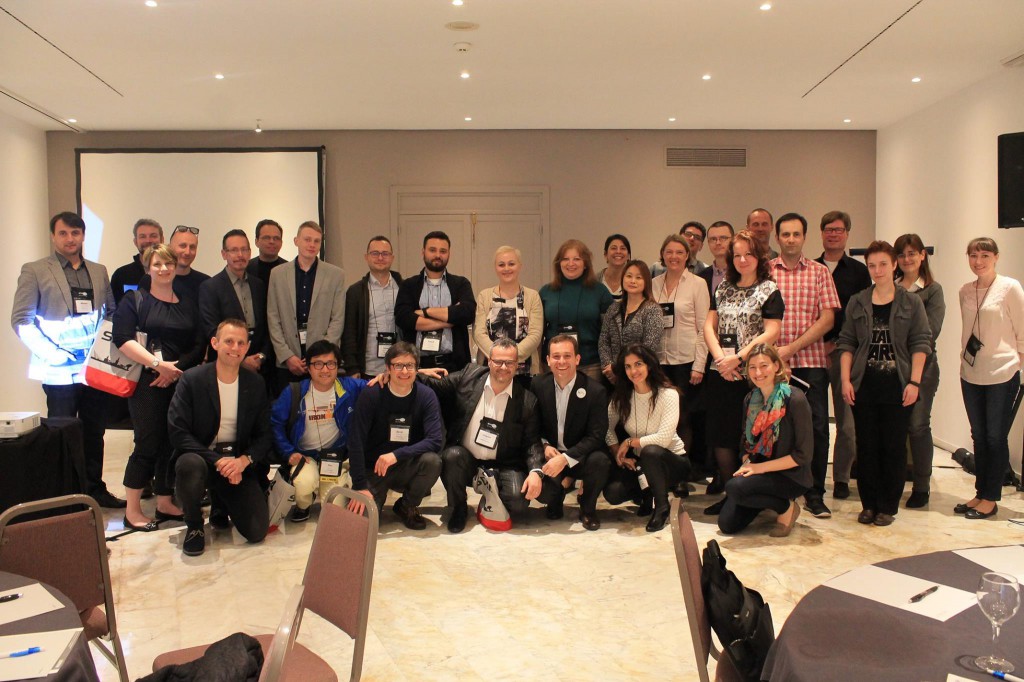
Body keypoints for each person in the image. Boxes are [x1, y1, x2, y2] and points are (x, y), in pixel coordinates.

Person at [11, 211, 124, 508]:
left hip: (93, 368)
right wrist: (55, 354)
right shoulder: (35, 270)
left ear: (83, 236)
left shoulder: (98, 270)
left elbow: (111, 312)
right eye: (63, 233)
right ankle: (64, 496)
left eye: (75, 233)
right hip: (58, 368)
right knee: (62, 433)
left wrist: (102, 352)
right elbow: (21, 320)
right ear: (53, 236)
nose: (70, 239)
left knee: (94, 431)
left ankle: (94, 489)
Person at [113, 244, 205, 530]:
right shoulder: (135, 299)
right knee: (147, 443)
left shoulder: (187, 300)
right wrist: (157, 365)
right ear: (147, 267)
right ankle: (132, 511)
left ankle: (165, 501)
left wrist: (175, 370)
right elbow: (122, 338)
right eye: (157, 264)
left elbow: (199, 342)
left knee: (171, 442)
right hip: (147, 382)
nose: (164, 269)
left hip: (178, 380)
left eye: (168, 263)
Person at [838, 240, 930, 527]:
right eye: (872, 265)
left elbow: (920, 343)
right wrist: (845, 380)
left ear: (894, 265)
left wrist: (914, 382)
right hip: (864, 385)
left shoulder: (911, 302)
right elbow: (847, 342)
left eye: (882, 264)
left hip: (898, 385)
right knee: (866, 446)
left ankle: (888, 506)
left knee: (893, 447)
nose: (877, 271)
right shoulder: (858, 301)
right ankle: (868, 504)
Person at [420, 338, 549, 533]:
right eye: (498, 361)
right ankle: (459, 508)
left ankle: (489, 499)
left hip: (504, 464)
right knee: (451, 456)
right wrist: (410, 372)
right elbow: (433, 384)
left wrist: (535, 471)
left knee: (518, 503)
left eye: (509, 362)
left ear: (517, 365)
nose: (503, 367)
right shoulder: (469, 376)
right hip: (467, 460)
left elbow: (532, 442)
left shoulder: (527, 400)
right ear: (489, 361)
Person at [168, 319, 272, 556]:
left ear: (247, 348)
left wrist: (243, 461)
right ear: (215, 343)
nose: (235, 348)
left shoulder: (255, 383)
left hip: (236, 462)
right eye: (229, 341)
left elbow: (265, 435)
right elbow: (178, 432)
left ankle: (221, 502)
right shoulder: (192, 379)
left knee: (257, 532)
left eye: (241, 343)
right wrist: (217, 461)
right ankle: (195, 526)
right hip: (202, 458)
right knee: (189, 465)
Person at [702, 230, 783, 515]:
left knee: (750, 437)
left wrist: (738, 357)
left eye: (748, 254)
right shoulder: (723, 288)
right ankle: (730, 495)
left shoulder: (769, 289)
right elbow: (708, 326)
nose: (742, 260)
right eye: (737, 255)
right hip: (722, 373)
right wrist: (720, 359)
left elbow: (772, 331)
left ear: (759, 256)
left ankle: (750, 497)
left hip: (753, 376)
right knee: (721, 436)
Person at [770, 212, 841, 519]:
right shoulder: (765, 272)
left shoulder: (819, 272)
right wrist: (778, 355)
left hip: (810, 363)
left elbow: (828, 319)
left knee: (816, 428)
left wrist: (791, 349)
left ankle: (814, 493)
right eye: (785, 234)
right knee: (775, 428)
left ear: (804, 237)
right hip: (771, 365)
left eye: (796, 234)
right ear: (777, 238)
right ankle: (780, 491)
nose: (791, 239)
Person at [955, 237, 1024, 521]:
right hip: (971, 373)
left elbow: (1022, 329)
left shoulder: (1010, 287)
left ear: (996, 257)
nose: (978, 261)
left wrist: (1019, 364)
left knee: (995, 437)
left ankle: (991, 498)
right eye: (973, 255)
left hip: (1002, 373)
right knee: (979, 436)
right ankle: (980, 492)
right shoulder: (965, 290)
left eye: (984, 255)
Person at [345, 342, 443, 529]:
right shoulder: (371, 394)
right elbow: (355, 441)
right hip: (373, 468)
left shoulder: (426, 396)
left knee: (432, 462)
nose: (404, 371)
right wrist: (359, 485)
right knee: (362, 526)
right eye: (398, 365)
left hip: (406, 466)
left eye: (409, 366)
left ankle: (406, 506)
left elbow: (435, 440)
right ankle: (374, 497)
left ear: (417, 369)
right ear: (388, 368)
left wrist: (396, 455)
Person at [717, 344, 812, 537]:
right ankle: (769, 501)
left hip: (790, 475)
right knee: (727, 524)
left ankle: (786, 507)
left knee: (734, 487)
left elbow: (803, 455)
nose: (758, 373)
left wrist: (758, 469)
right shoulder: (750, 398)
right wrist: (747, 464)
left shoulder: (794, 398)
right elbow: (745, 443)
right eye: (752, 367)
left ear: (776, 366)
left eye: (764, 366)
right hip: (760, 471)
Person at [270, 340, 368, 522]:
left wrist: (386, 377)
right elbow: (275, 423)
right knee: (303, 485)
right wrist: (289, 452)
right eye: (318, 364)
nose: (325, 370)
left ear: (337, 366)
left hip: (335, 457)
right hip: (306, 456)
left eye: (331, 363)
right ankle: (304, 505)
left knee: (334, 508)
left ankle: (328, 488)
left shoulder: (349, 388)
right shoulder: (294, 392)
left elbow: (376, 385)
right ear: (308, 367)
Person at [603, 344, 690, 532]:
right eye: (628, 366)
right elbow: (606, 427)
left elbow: (663, 439)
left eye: (638, 364)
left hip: (672, 462)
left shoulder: (668, 394)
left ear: (649, 365)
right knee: (613, 493)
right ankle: (646, 493)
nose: (633, 371)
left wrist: (630, 442)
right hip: (641, 463)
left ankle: (662, 507)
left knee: (650, 452)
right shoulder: (622, 397)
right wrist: (618, 452)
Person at [816, 210, 871, 500]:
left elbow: (861, 315)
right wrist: (819, 342)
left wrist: (837, 343)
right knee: (813, 420)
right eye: (829, 229)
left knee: (846, 422)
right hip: (811, 352)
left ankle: (841, 478)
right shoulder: (810, 268)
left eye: (839, 230)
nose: (833, 234)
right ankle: (811, 478)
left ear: (847, 234)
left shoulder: (860, 272)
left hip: (844, 353)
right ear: (821, 233)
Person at [530, 334, 610, 530]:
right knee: (544, 492)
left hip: (580, 456)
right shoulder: (538, 385)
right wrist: (544, 445)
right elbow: (532, 424)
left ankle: (588, 508)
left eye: (567, 356)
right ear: (548, 360)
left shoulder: (595, 391)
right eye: (556, 356)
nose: (562, 361)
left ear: (577, 359)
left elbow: (596, 436)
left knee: (600, 461)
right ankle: (555, 499)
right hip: (550, 454)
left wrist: (566, 458)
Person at [895, 233, 945, 508]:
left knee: (917, 425)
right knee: (895, 427)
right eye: (901, 254)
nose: (906, 259)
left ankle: (922, 486)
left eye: (912, 253)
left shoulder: (932, 291)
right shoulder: (889, 287)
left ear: (922, 255)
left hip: (922, 369)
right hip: (892, 368)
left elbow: (930, 331)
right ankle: (894, 482)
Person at [267, 221, 346, 391]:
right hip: (288, 361)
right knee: (289, 405)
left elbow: (337, 319)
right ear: (296, 241)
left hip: (322, 363)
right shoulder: (277, 274)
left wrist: (321, 356)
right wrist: (287, 356)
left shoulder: (336, 275)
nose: (312, 245)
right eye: (307, 239)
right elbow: (273, 318)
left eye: (316, 241)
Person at [652, 234, 710, 453]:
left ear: (687, 256)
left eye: (679, 252)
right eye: (669, 252)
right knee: (661, 418)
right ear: (662, 255)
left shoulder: (698, 284)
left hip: (686, 362)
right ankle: (663, 464)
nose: (673, 256)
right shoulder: (653, 284)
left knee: (683, 417)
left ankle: (682, 466)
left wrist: (699, 365)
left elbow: (704, 327)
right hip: (659, 361)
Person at [395, 230, 476, 372]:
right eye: (432, 250)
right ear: (423, 252)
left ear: (449, 254)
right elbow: (403, 318)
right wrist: (449, 321)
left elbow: (467, 313)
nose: (438, 255)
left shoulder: (461, 284)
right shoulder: (408, 285)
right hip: (417, 367)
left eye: (443, 251)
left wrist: (425, 312)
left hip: (455, 366)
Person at [540, 239, 614, 382]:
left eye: (577, 259)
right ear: (559, 263)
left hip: (590, 365)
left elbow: (610, 332)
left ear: (585, 263)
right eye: (565, 259)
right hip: (554, 364)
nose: (571, 263)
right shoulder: (546, 292)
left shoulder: (600, 291)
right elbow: (538, 333)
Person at [199, 230, 270, 375]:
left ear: (250, 253)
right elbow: (212, 330)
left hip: (259, 366)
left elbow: (267, 325)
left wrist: (262, 356)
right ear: (224, 254)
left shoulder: (259, 285)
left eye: (244, 250)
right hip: (225, 366)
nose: (240, 255)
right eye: (234, 250)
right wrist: (241, 359)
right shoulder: (210, 287)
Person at [473, 245, 543, 378]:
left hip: (524, 371)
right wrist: (498, 358)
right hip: (490, 370)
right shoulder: (484, 296)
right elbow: (479, 334)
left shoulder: (533, 296)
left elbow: (535, 335)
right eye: (501, 265)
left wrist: (511, 358)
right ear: (495, 268)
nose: (506, 268)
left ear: (520, 266)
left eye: (511, 264)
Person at [341, 236, 403, 378]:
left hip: (400, 370)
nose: (380, 258)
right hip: (368, 370)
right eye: (375, 253)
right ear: (366, 257)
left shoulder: (404, 288)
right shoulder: (355, 292)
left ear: (392, 258)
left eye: (385, 253)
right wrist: (352, 368)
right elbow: (349, 332)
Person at [598, 260, 663, 384]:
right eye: (629, 276)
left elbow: (648, 347)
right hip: (611, 377)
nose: (633, 281)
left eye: (638, 277)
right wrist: (608, 367)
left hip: (640, 376)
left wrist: (618, 368)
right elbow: (603, 341)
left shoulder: (653, 310)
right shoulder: (613, 308)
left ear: (646, 282)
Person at [139, 225, 210, 301]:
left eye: (192, 247)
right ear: (170, 248)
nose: (187, 252)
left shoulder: (205, 283)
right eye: (183, 246)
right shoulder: (151, 279)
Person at [110, 218, 163, 303]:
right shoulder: (121, 275)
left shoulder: (170, 273)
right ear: (135, 242)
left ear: (162, 240)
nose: (148, 240)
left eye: (153, 236)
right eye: (142, 236)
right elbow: (114, 308)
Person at [246, 219, 288, 296]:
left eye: (276, 238)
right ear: (256, 241)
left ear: (281, 243)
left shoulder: (289, 270)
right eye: (266, 238)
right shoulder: (246, 269)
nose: (272, 241)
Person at [699, 221, 733, 299]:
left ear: (733, 240)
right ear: (708, 243)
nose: (718, 242)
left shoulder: (742, 273)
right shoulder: (701, 277)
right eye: (713, 239)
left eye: (723, 238)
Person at [598, 234, 631, 301]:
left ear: (628, 255)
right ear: (605, 254)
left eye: (623, 248)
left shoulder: (633, 282)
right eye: (614, 248)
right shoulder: (594, 281)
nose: (618, 251)